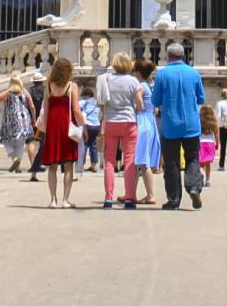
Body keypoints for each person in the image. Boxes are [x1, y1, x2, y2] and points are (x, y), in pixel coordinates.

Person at [151, 42, 206, 210]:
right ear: (184, 55)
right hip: (191, 124)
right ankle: (194, 187)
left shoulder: (162, 74)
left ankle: (174, 199)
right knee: (193, 158)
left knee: (172, 163)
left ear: (168, 56)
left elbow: (156, 101)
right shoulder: (194, 73)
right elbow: (201, 98)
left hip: (170, 125)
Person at [95, 53, 144, 208]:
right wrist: (134, 108)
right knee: (129, 160)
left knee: (109, 161)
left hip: (111, 121)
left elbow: (101, 102)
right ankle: (129, 197)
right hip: (129, 122)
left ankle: (108, 198)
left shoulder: (106, 79)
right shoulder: (133, 81)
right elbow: (140, 104)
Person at [40, 56, 83, 208]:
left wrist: (46, 130)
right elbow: (76, 110)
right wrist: (83, 125)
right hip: (66, 126)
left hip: (52, 125)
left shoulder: (49, 86)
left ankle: (53, 199)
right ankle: (65, 200)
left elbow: (45, 111)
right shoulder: (72, 86)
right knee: (68, 164)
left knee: (52, 165)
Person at [132, 58, 162, 206]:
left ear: (138, 72)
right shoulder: (152, 85)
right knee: (143, 161)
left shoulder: (141, 86)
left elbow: (139, 104)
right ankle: (140, 193)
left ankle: (149, 195)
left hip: (142, 121)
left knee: (141, 161)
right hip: (151, 121)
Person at [0, 75, 36, 172]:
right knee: (20, 144)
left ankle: (15, 159)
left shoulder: (8, 93)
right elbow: (32, 107)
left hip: (9, 122)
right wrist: (34, 120)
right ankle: (17, 166)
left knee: (6, 141)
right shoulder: (25, 91)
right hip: (24, 121)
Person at [198, 104, 220, 179]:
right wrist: (217, 144)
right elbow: (216, 135)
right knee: (208, 164)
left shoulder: (199, 121)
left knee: (200, 163)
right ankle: (208, 180)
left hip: (200, 143)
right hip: (210, 143)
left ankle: (201, 177)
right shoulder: (214, 123)